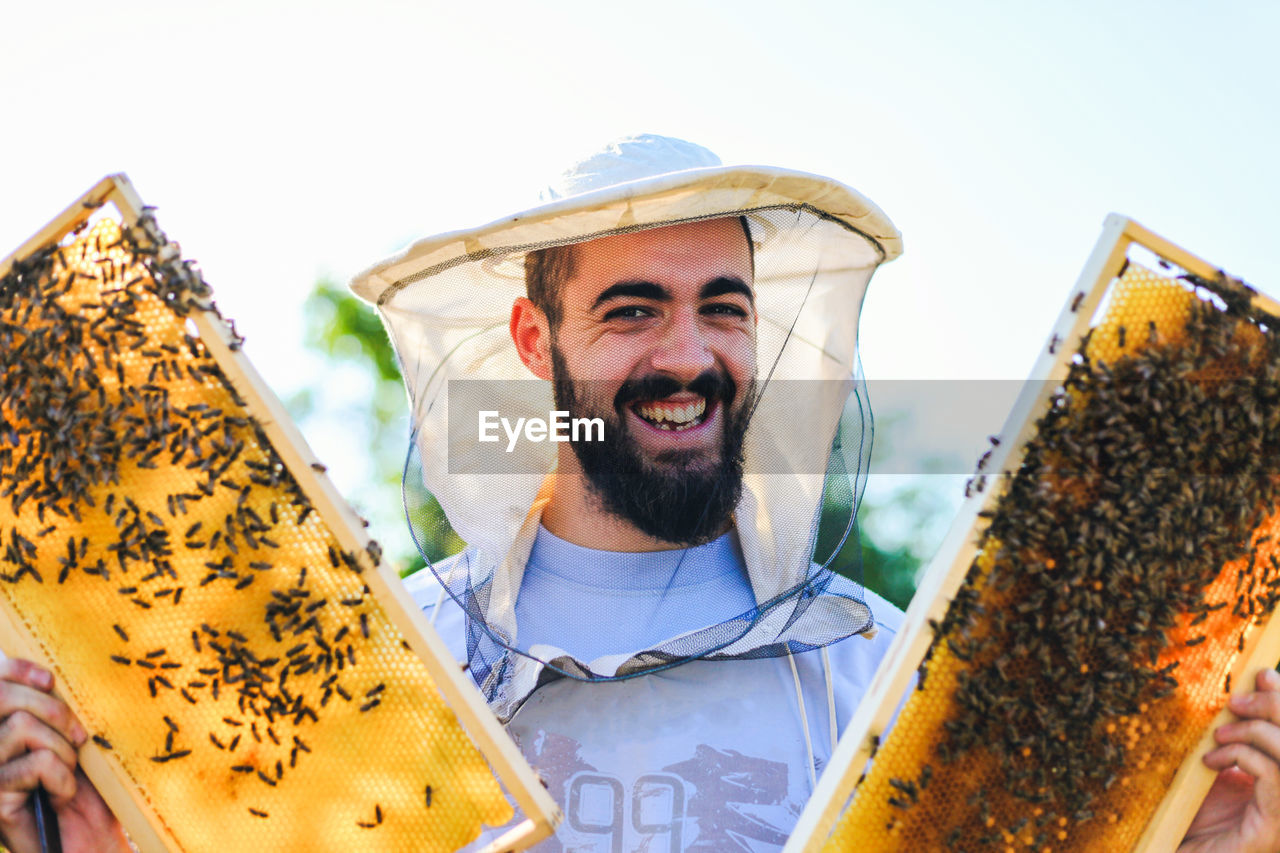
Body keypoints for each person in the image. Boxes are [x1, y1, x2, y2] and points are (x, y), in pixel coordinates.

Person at [1, 137, 1279, 853]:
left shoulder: (880, 679)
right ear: (528, 340)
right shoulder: (392, 675)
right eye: (629, 311)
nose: (686, 355)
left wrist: (1200, 840)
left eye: (721, 309)